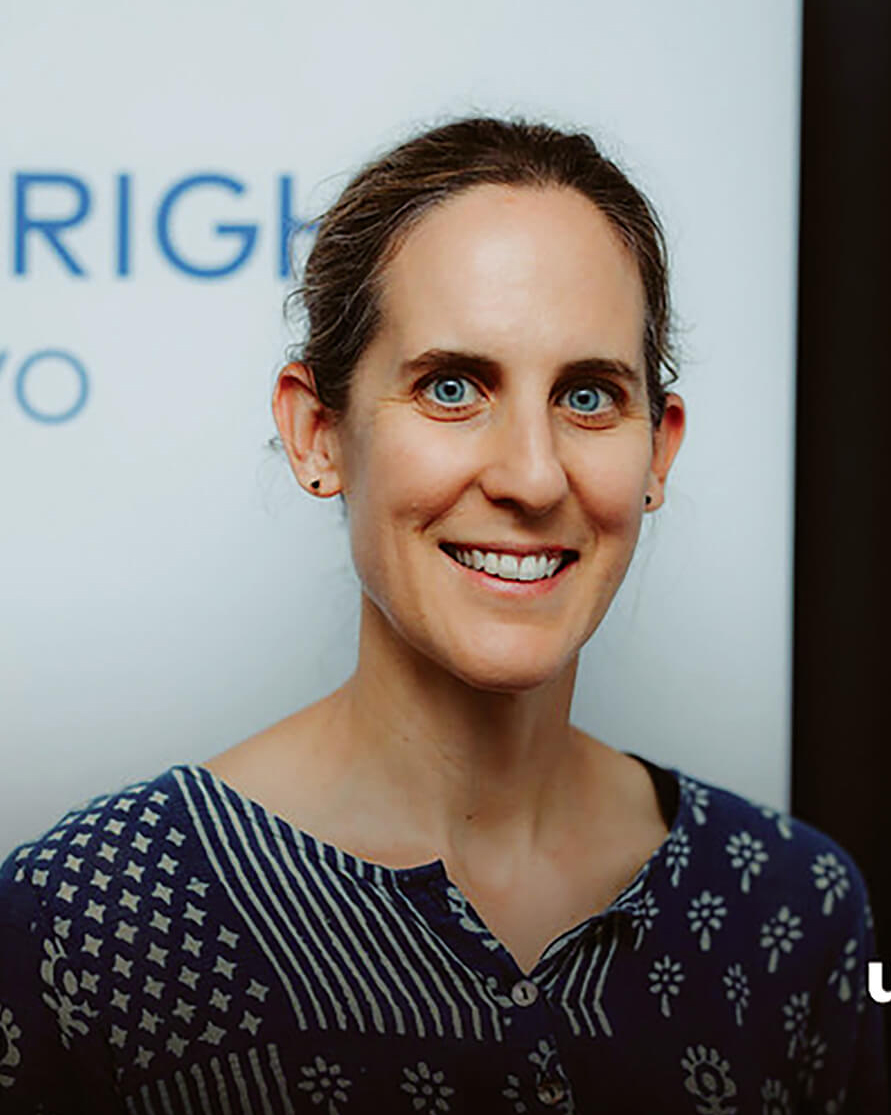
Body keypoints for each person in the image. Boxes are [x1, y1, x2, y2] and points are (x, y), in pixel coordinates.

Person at [0, 116, 885, 1114]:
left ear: (658, 450)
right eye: (452, 388)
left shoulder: (793, 907)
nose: (532, 476)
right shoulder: (88, 919)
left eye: (588, 397)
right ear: (317, 432)